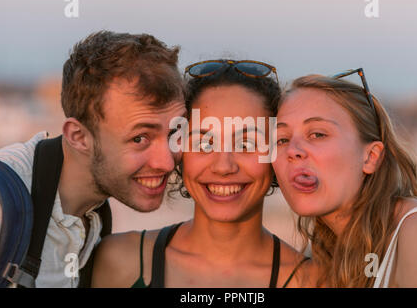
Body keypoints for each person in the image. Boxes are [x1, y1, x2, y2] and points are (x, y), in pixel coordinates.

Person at [92, 60, 310, 288]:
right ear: (179, 152)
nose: (223, 167)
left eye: (246, 144)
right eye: (204, 144)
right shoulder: (120, 261)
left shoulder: (309, 281)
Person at [0, 31, 186, 287]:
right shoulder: (4, 206)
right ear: (78, 136)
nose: (166, 162)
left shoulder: (95, 218)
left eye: (175, 132)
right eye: (140, 138)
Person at [272, 71, 417, 287]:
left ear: (370, 157)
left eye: (317, 134)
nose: (293, 150)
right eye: (281, 139)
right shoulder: (328, 257)